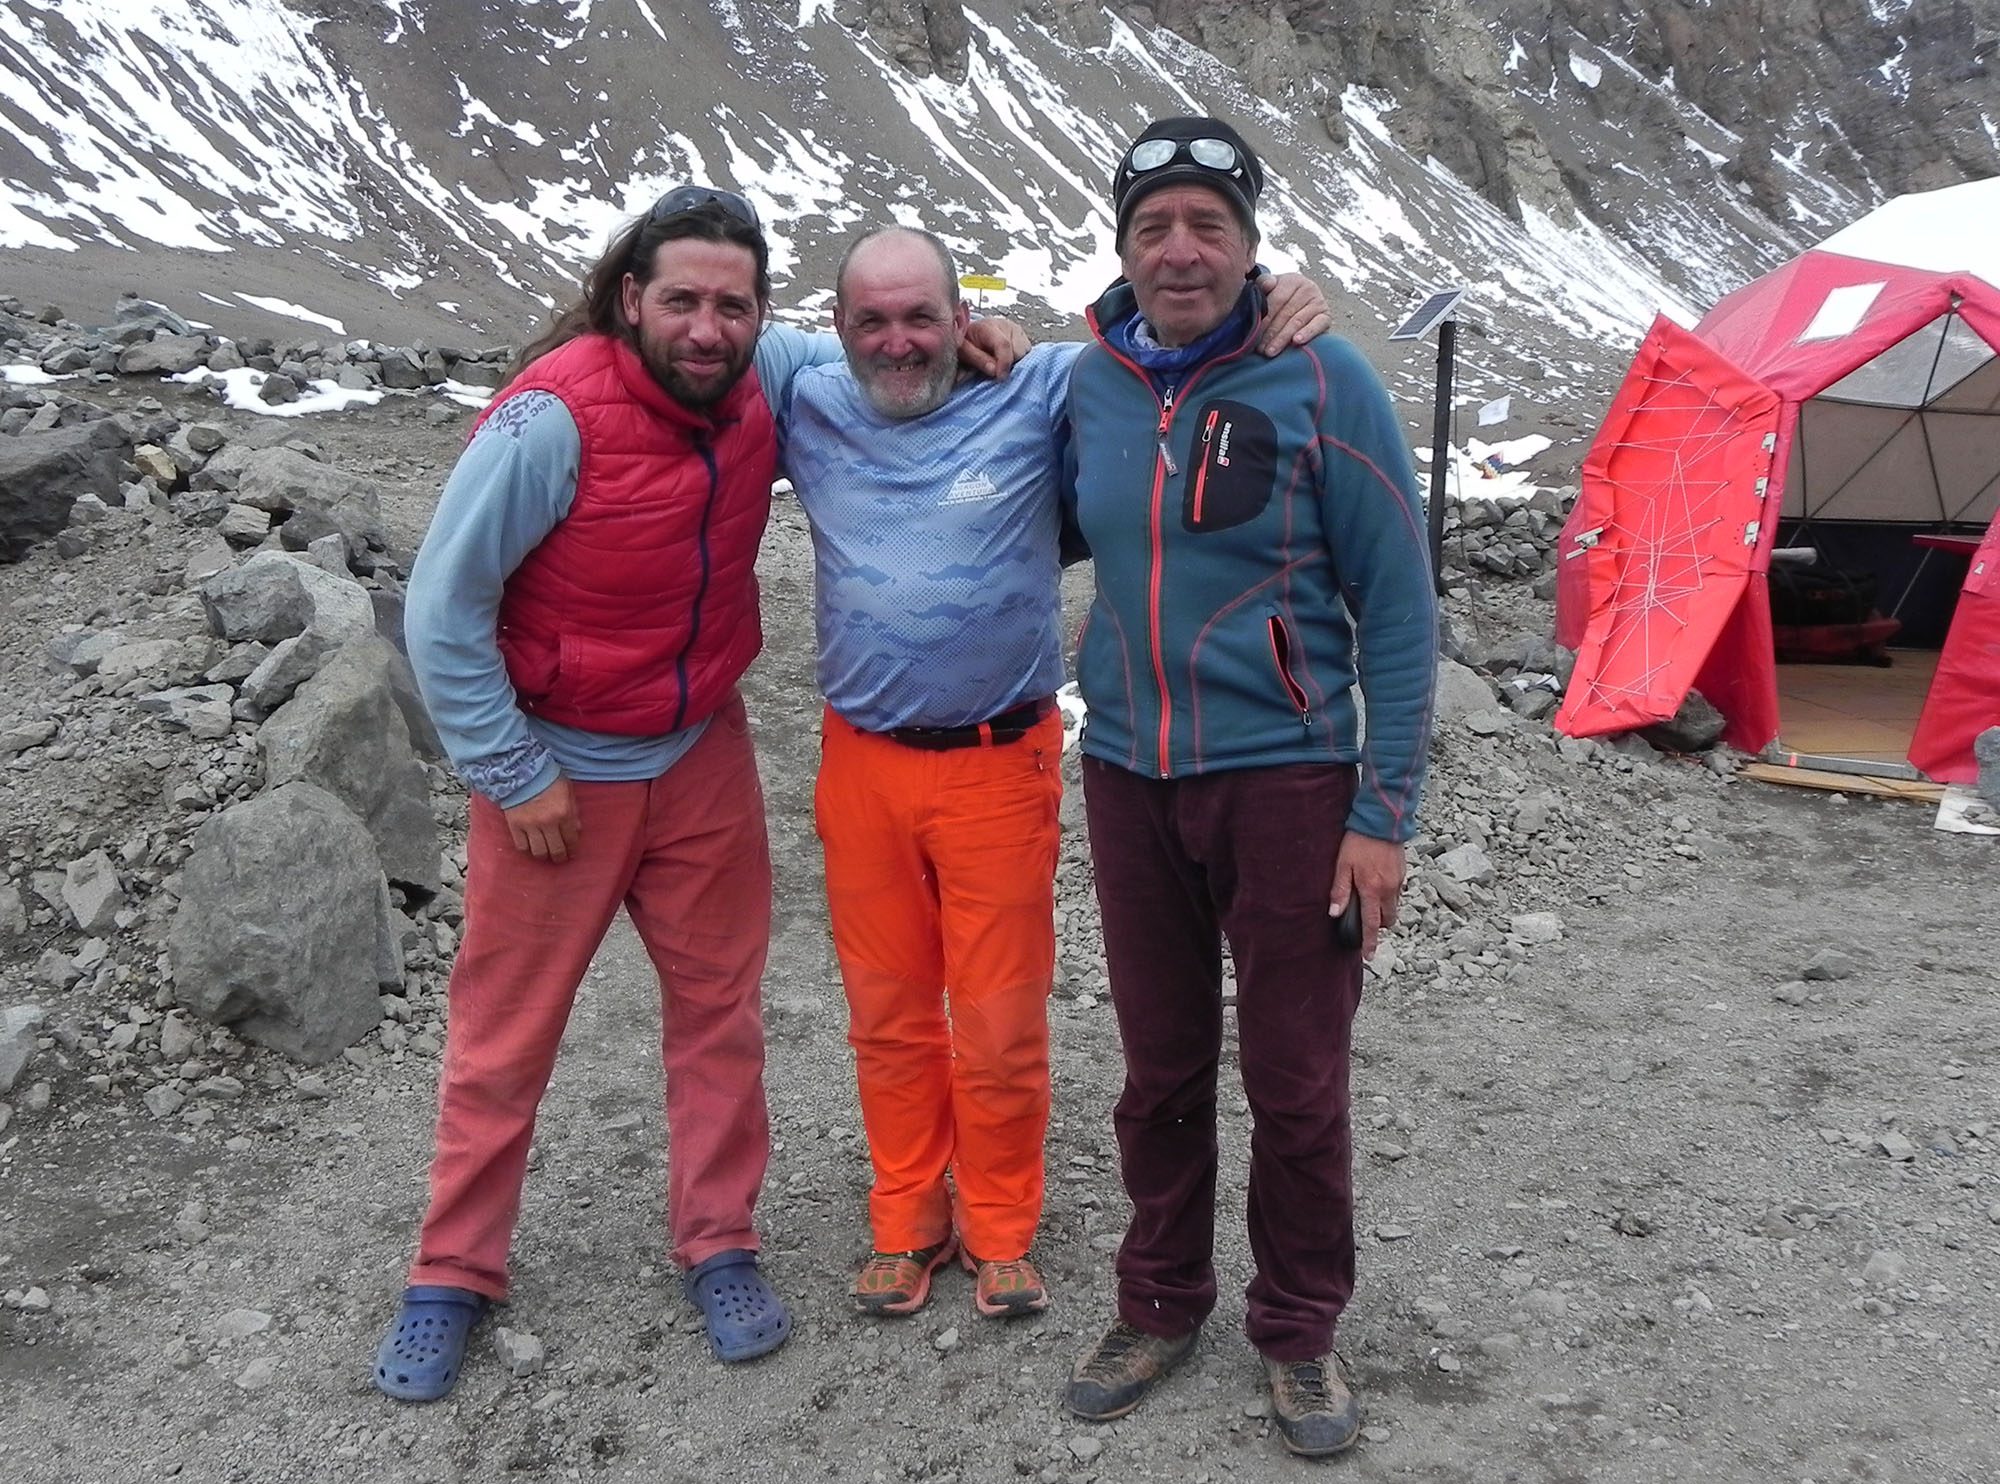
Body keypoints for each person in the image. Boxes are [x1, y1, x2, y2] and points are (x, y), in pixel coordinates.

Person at [779, 226, 1330, 1322]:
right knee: (886, 1010)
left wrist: (1273, 293)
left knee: (997, 1014)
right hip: (860, 758)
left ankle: (998, 1224)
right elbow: (676, 318)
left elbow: (1156, 347)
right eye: (873, 321)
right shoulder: (803, 390)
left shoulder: (1034, 384)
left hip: (998, 756)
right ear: (835, 328)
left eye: (922, 316)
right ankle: (904, 1218)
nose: (898, 341)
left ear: (959, 315)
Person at [373, 186, 832, 1400]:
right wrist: (511, 769)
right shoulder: (547, 419)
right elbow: (441, 608)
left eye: (730, 305)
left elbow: (883, 351)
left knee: (719, 1013)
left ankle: (720, 1241)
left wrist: (968, 336)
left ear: (758, 313)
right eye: (679, 298)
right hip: (554, 769)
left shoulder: (760, 376)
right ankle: (451, 1270)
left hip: (700, 754)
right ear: (630, 298)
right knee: (502, 1036)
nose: (705, 326)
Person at [1058, 118, 1437, 1457]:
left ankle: (1299, 1332)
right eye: (1153, 223)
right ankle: (1160, 1301)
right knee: (1158, 1071)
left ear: (1250, 242)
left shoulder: (1324, 379)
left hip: (1287, 784)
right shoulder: (1086, 383)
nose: (1179, 248)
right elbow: (1042, 517)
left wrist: (1383, 817)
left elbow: (1399, 608)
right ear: (1121, 241)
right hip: (1127, 775)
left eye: (1207, 223)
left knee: (1294, 1079)